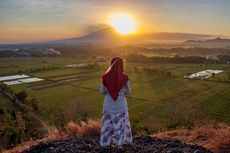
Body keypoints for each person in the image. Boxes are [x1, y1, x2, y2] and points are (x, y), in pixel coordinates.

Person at [99, 57, 133, 148]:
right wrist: (121, 94)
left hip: (108, 106)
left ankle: (105, 144)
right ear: (121, 65)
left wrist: (109, 92)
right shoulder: (125, 77)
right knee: (120, 126)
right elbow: (129, 91)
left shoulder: (105, 77)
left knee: (107, 126)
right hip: (121, 106)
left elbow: (102, 91)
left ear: (111, 65)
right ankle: (120, 144)